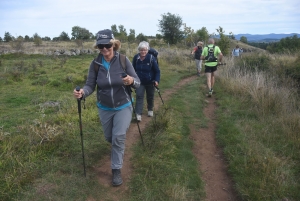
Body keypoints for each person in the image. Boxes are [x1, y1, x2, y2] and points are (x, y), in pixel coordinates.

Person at [73, 29, 140, 187]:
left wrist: (130, 81)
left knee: (118, 137)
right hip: (104, 107)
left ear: (113, 44)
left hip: (123, 105)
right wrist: (82, 93)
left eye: (107, 45)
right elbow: (90, 85)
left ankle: (116, 169)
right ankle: (118, 146)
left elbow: (137, 81)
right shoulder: (95, 64)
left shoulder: (123, 60)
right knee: (109, 137)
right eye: (100, 46)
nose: (104, 49)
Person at [132, 41, 160, 122]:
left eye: (145, 50)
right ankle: (138, 115)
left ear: (147, 50)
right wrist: (131, 79)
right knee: (139, 97)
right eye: (141, 50)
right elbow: (132, 70)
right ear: (139, 50)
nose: (143, 52)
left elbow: (157, 71)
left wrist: (156, 80)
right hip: (139, 82)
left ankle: (150, 109)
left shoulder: (151, 58)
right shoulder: (136, 58)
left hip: (150, 81)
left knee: (150, 96)